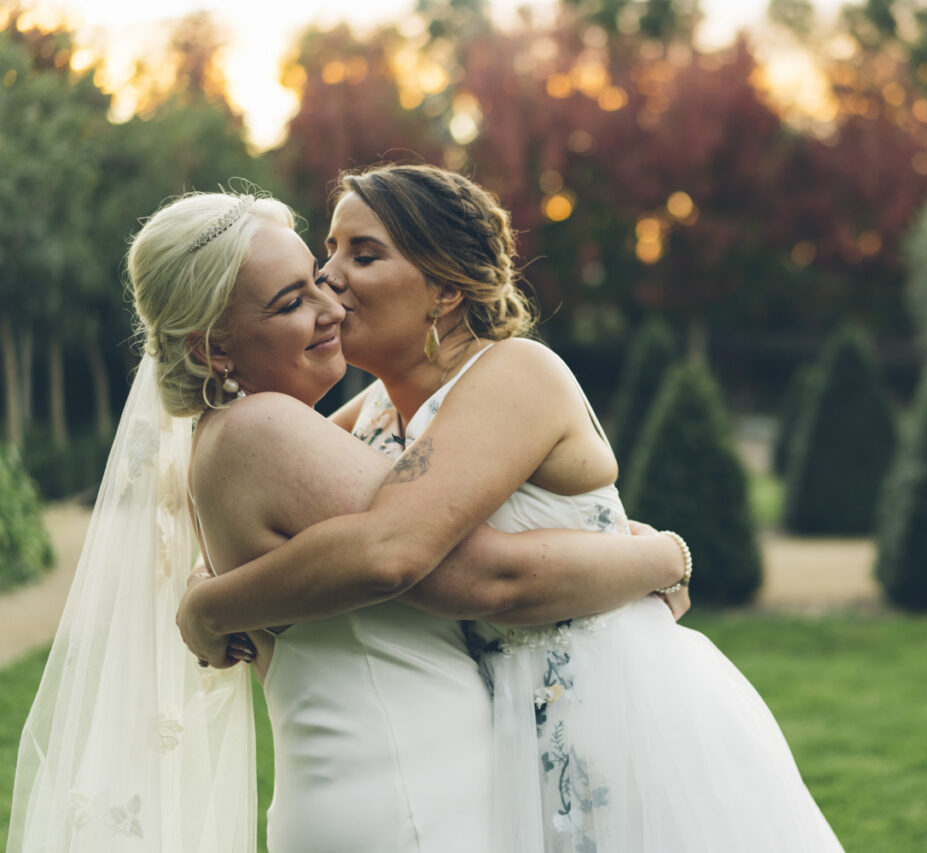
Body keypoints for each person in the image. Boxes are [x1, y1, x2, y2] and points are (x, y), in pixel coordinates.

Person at [179, 164, 843, 851]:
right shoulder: (374, 410)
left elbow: (491, 579)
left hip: (613, 710)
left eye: (363, 254)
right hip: (498, 735)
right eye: (330, 252)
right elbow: (285, 511)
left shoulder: (516, 372)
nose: (330, 278)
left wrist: (667, 555)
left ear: (443, 288)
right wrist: (207, 587)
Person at [8, 191, 687, 853]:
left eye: (318, 278)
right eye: (293, 298)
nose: (330, 301)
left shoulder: (262, 434)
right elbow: (458, 567)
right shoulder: (261, 429)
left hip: (375, 790)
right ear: (215, 348)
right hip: (404, 795)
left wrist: (207, 597)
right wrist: (663, 556)